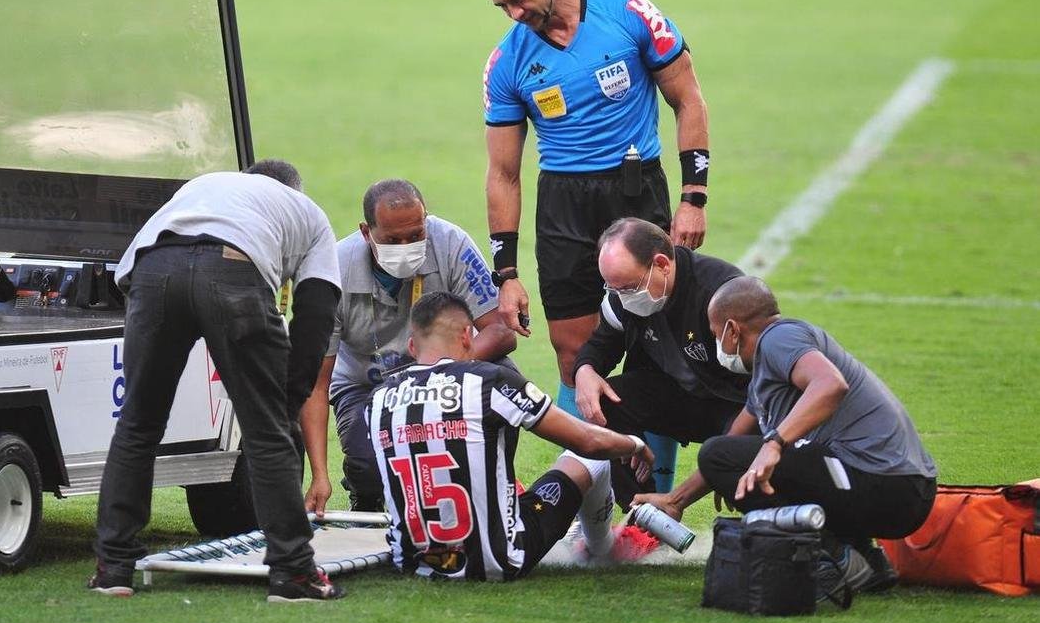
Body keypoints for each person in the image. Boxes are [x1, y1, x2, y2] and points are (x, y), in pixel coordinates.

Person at [475, 0, 713, 487]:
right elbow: (503, 173)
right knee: (573, 353)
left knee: (652, 347)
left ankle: (650, 496)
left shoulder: (628, 13)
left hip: (635, 194)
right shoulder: (507, 61)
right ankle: (598, 501)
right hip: (563, 206)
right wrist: (505, 273)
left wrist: (693, 197)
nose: (515, 13)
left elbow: (689, 99)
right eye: (502, 6)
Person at [91, 159, 346, 603]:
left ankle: (114, 567)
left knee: (138, 424)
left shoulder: (206, 185)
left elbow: (127, 277)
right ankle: (292, 573)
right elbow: (315, 316)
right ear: (294, 192)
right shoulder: (307, 213)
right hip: (234, 269)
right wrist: (285, 404)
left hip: (152, 270)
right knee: (266, 433)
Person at [367, 291, 655, 581]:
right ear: (468, 336)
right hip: (500, 560)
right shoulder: (487, 380)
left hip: (413, 563)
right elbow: (588, 442)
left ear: (412, 346)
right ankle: (601, 550)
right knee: (590, 461)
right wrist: (635, 444)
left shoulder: (377, 399)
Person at [692, 276, 938, 590]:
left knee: (719, 454)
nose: (717, 344)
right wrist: (675, 500)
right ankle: (866, 560)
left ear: (732, 329)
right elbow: (734, 441)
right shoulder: (766, 370)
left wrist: (775, 444)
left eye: (715, 334)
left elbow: (831, 384)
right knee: (724, 455)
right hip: (902, 488)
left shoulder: (778, 339)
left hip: (886, 485)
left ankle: (832, 557)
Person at [300, 179, 516, 513]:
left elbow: (501, 333)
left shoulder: (451, 243)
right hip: (365, 387)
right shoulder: (333, 270)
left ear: (426, 221)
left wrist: (437, 372)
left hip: (445, 374)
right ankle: (365, 487)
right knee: (373, 469)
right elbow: (315, 381)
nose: (406, 246)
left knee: (504, 380)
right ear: (365, 232)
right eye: (392, 240)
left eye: (416, 235)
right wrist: (318, 475)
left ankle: (492, 478)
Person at [573, 218, 748, 507]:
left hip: (737, 406)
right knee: (604, 404)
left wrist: (732, 453)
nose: (622, 298)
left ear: (662, 264)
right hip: (677, 398)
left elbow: (766, 387)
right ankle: (641, 515)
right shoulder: (621, 297)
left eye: (629, 287)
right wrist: (585, 370)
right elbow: (600, 345)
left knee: (742, 466)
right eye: (613, 289)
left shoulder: (722, 294)